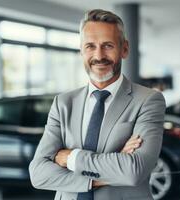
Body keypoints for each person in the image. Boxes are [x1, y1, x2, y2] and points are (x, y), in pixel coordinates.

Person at [29, 9, 166, 200]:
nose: (99, 55)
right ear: (81, 51)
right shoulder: (63, 103)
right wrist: (106, 173)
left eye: (108, 45)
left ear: (124, 49)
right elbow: (38, 174)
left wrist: (71, 158)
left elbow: (134, 170)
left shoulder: (148, 100)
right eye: (90, 46)